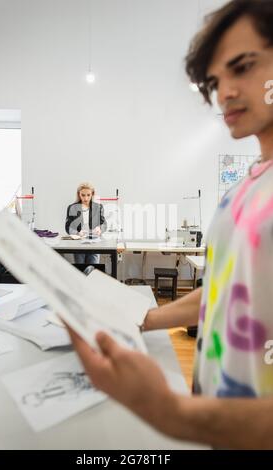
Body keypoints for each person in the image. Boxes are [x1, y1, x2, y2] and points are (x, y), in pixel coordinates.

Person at [66, 0, 273, 449]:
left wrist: (168, 410)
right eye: (216, 81)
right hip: (215, 417)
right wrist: (142, 317)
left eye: (243, 67)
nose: (225, 93)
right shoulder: (244, 189)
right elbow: (224, 290)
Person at [65, 182, 107, 265]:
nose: (86, 198)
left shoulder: (98, 207)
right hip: (79, 243)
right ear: (78, 194)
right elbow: (68, 227)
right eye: (83, 195)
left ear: (92, 194)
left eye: (88, 195)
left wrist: (99, 229)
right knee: (81, 271)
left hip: (94, 243)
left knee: (93, 270)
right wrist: (77, 233)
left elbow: (104, 224)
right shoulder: (72, 207)